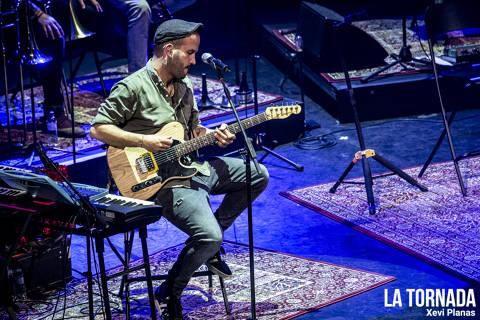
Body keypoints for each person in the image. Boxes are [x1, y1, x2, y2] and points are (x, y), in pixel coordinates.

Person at [89, 19, 269, 319]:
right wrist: (143, 140)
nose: (194, 60)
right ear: (168, 50)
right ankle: (170, 291)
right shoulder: (133, 87)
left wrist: (213, 134)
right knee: (210, 236)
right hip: (159, 181)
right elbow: (98, 129)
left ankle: (209, 249)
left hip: (191, 167)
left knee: (257, 175)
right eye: (189, 53)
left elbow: (192, 131)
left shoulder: (184, 87)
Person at [25, 0, 101, 137]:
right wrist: (38, 13)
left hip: (39, 7)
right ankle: (55, 111)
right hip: (20, 13)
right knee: (52, 36)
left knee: (90, 12)